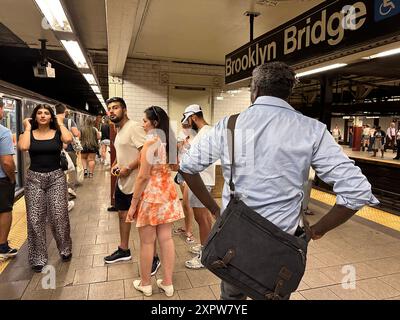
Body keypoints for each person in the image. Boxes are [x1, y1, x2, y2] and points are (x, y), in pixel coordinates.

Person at [179, 61, 379, 300]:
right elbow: (357, 190)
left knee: (231, 298)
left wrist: (215, 210)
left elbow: (188, 167)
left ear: (255, 90)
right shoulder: (311, 129)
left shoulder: (229, 126)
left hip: (235, 240)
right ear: (289, 92)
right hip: (281, 245)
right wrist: (317, 230)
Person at [126, 106, 184, 297]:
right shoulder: (170, 141)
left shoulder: (150, 142)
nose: (142, 124)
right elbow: (176, 167)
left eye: (144, 121)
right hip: (168, 193)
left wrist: (133, 204)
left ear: (154, 123)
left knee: (147, 242)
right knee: (166, 238)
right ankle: (167, 283)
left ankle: (145, 284)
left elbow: (142, 177)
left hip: (151, 196)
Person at [104, 97, 160, 275]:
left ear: (125, 110)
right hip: (123, 182)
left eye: (116, 108)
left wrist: (128, 167)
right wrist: (115, 163)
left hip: (137, 182)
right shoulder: (118, 129)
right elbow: (123, 151)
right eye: (110, 108)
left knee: (145, 224)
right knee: (122, 215)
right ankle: (124, 249)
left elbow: (147, 153)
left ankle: (154, 257)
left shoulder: (134, 127)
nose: (112, 111)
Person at [18, 104, 73, 272]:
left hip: (56, 177)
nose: (43, 116)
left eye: (46, 113)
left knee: (58, 216)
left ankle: (65, 249)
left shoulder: (57, 133)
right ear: (35, 117)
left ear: (51, 117)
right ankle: (38, 258)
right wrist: (27, 128)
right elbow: (23, 147)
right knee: (35, 220)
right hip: (34, 179)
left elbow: (68, 139)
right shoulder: (28, 134)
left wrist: (60, 121)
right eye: (39, 113)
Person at [180, 104, 216, 269]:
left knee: (201, 219)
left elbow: (198, 159)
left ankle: (205, 255)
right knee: (205, 218)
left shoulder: (206, 132)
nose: (187, 124)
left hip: (202, 180)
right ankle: (208, 247)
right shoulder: (203, 132)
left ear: (194, 117)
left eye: (188, 120)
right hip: (199, 180)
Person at [0, 99, 18, 259]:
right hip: (1, 180)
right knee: (5, 210)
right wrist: (12, 178)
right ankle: (3, 247)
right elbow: (6, 161)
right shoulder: (3, 132)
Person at [173, 123, 195, 244]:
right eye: (183, 125)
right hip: (181, 171)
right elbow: (177, 151)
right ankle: (186, 227)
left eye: (186, 125)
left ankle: (189, 231)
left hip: (190, 173)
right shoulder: (182, 135)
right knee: (185, 204)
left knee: (187, 203)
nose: (184, 127)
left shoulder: (196, 138)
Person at [55, 104, 79, 209]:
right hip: (68, 151)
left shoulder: (52, 121)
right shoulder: (69, 121)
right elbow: (76, 134)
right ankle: (69, 191)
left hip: (56, 153)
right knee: (70, 171)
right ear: (65, 111)